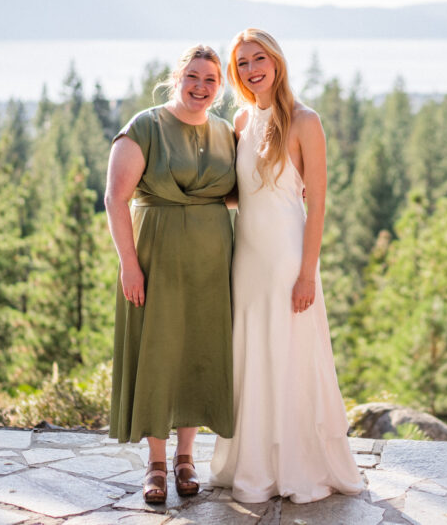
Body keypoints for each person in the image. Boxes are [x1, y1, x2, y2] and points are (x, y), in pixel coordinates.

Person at [210, 28, 364, 503]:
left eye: (259, 59)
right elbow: (243, 194)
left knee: (292, 357)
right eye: (242, 64)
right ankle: (253, 465)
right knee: (253, 356)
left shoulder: (304, 121)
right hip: (248, 260)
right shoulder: (239, 120)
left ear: (276, 62)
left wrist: (306, 274)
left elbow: (316, 204)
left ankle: (297, 467)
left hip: (288, 260)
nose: (252, 69)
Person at [104, 44, 236, 504]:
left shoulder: (224, 132)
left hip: (211, 265)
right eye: (193, 77)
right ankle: (156, 463)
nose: (201, 87)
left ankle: (186, 457)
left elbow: (235, 194)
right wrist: (129, 265)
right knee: (160, 352)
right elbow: (115, 198)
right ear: (178, 77)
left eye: (211, 81)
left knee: (198, 353)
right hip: (156, 259)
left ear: (219, 89)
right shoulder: (145, 126)